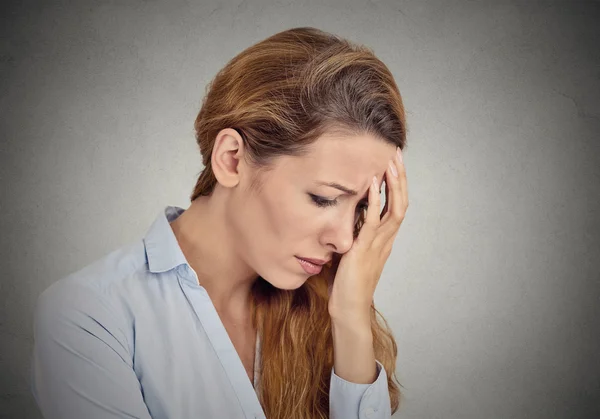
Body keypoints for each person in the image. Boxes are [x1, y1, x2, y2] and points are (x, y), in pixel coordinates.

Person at [30, 26, 408, 419]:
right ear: (231, 158)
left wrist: (350, 317)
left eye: (362, 209)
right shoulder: (91, 316)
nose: (346, 240)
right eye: (324, 198)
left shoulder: (327, 308)